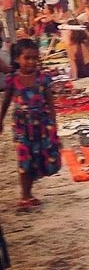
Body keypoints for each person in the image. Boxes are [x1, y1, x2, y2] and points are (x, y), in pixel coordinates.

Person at [0, 39, 61, 208]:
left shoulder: (43, 79)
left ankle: (29, 193)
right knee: (24, 158)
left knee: (37, 157)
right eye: (27, 58)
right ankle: (25, 195)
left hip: (42, 125)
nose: (32, 62)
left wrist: (53, 125)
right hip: (21, 126)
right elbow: (6, 101)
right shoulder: (13, 79)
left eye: (35, 58)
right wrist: (1, 119)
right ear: (17, 59)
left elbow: (50, 103)